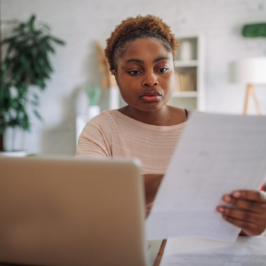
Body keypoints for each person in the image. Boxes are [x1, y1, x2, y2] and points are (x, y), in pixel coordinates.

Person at [76, 15, 266, 236]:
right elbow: (89, 194)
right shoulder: (101, 129)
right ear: (115, 75)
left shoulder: (209, 129)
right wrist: (162, 185)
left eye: (162, 69)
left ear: (174, 69)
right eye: (135, 71)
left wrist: (252, 220)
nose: (151, 80)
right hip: (126, 247)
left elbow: (230, 218)